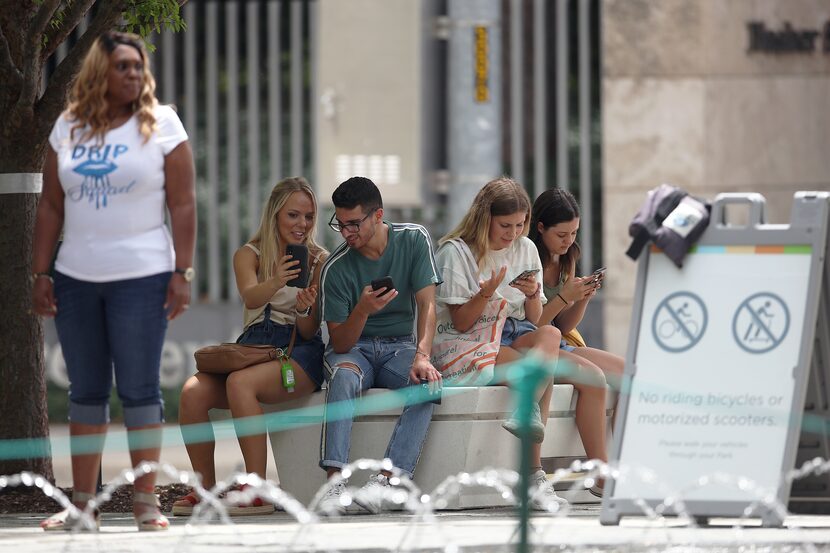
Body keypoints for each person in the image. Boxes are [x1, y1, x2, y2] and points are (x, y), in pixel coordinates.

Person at [31, 31, 196, 531]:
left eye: (136, 66)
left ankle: (145, 502)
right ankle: (82, 505)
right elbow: (52, 206)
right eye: (121, 65)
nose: (132, 74)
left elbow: (183, 203)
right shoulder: (67, 128)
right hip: (77, 277)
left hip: (143, 276)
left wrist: (181, 271)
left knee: (141, 388)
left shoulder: (162, 124)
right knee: (86, 390)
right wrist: (41, 272)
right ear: (100, 71)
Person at [173, 177, 327, 516]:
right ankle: (203, 488)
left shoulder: (319, 260)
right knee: (191, 392)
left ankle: (256, 488)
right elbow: (250, 295)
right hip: (254, 347)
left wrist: (304, 306)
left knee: (239, 383)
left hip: (298, 352)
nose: (302, 224)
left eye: (309, 216)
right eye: (293, 215)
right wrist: (278, 280)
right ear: (274, 214)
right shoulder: (249, 254)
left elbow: (309, 327)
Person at [434, 176, 567, 510]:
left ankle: (526, 417)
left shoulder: (526, 248)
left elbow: (536, 320)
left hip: (514, 332)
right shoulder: (456, 253)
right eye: (505, 225)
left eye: (520, 225)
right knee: (540, 371)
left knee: (551, 335)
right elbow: (461, 322)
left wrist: (534, 293)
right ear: (484, 219)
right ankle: (534, 474)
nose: (513, 234)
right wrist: (486, 292)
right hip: (465, 341)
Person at [317, 176, 442, 514]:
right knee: (343, 376)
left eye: (354, 224)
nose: (346, 233)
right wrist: (363, 310)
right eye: (340, 225)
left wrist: (423, 356)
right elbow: (340, 341)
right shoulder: (336, 268)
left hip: (401, 346)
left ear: (377, 215)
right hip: (353, 351)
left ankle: (388, 481)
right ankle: (334, 485)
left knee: (427, 383)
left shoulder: (414, 239)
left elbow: (429, 304)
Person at [529, 187, 624, 488]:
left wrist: (581, 297)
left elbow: (565, 322)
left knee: (629, 373)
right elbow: (532, 326)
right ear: (540, 228)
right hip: (533, 344)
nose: (569, 241)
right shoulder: (528, 260)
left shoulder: (569, 257)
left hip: (562, 341)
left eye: (574, 233)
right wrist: (562, 298)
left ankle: (626, 461)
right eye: (561, 234)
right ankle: (600, 473)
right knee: (593, 377)